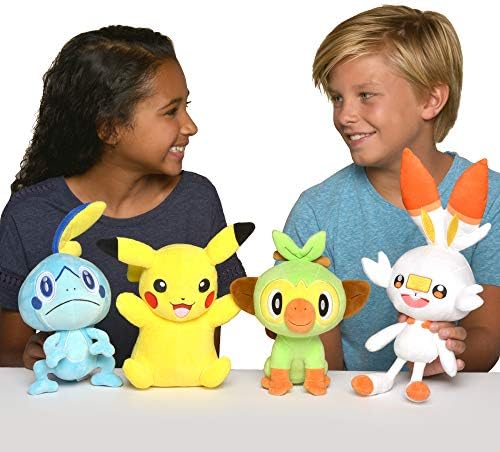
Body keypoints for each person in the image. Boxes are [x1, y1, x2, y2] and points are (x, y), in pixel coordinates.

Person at [0, 25, 246, 368]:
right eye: (171, 111)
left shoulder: (197, 202)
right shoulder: (29, 215)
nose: (190, 126)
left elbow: (202, 349)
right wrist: (30, 357)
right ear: (110, 128)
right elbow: (9, 357)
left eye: (186, 106)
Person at [282, 5, 500, 374]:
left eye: (366, 95)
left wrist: (450, 352)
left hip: (452, 402)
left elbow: (488, 336)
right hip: (350, 400)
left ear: (430, 100)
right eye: (337, 98)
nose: (344, 115)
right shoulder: (317, 212)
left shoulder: (491, 200)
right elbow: (323, 367)